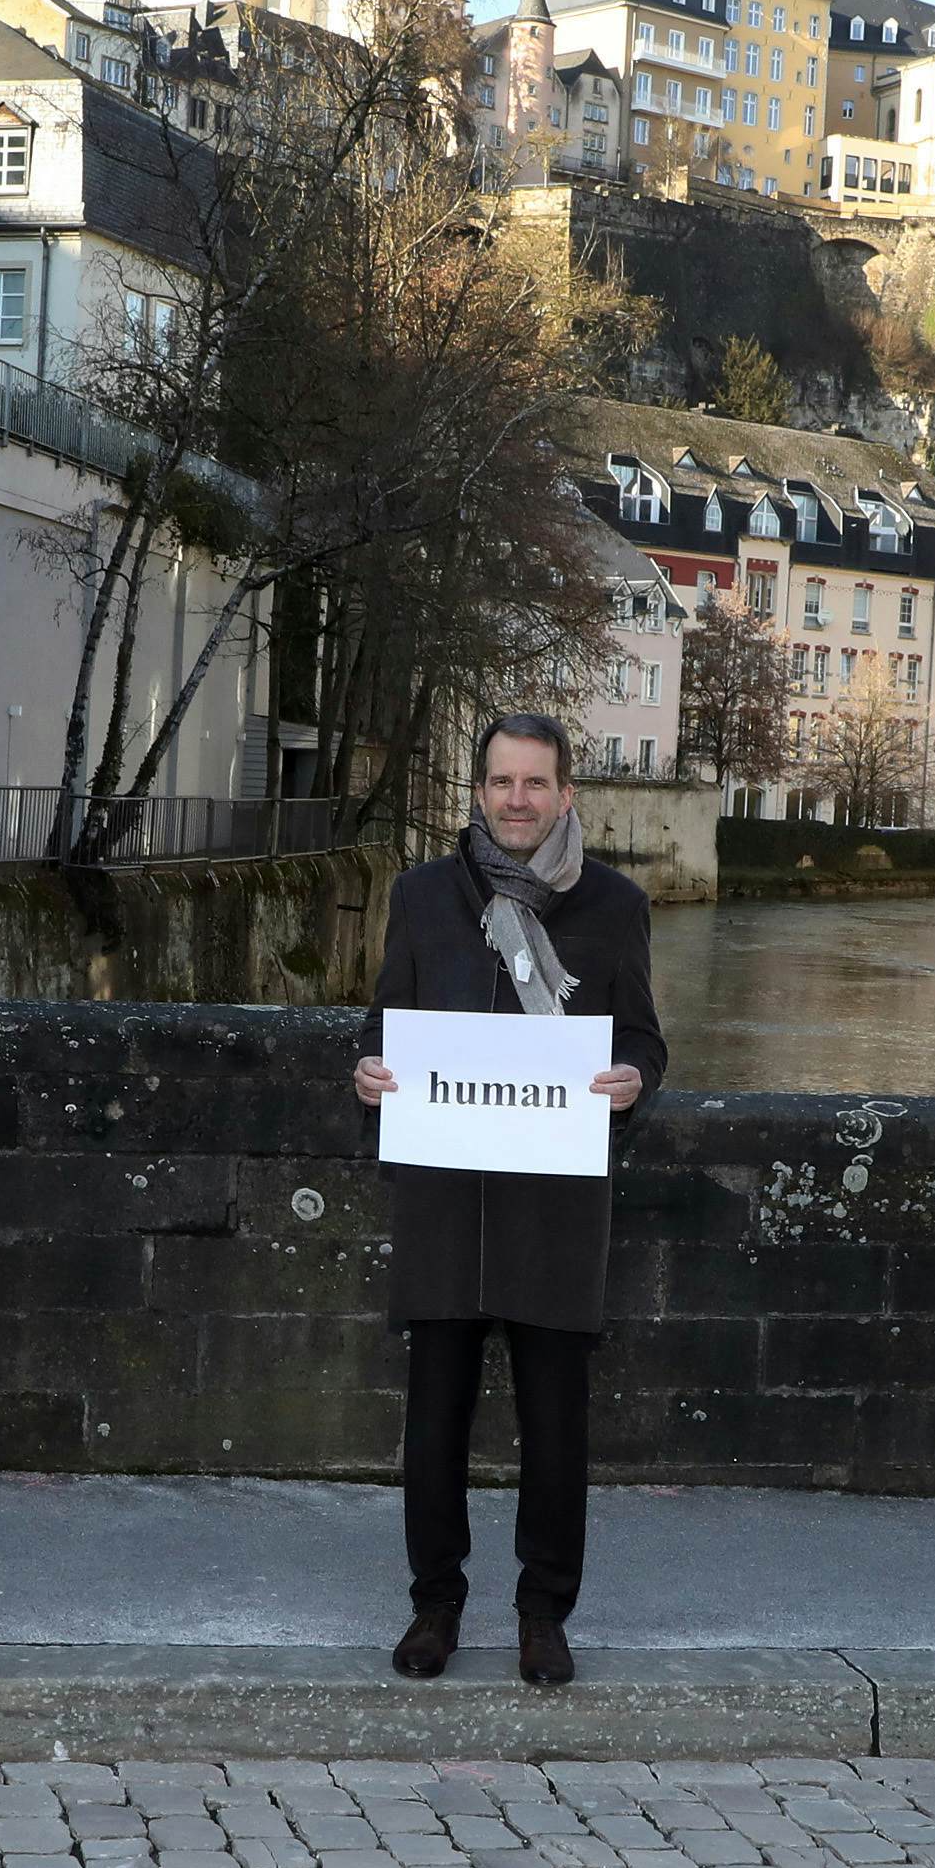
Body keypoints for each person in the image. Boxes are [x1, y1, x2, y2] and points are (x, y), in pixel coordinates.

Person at [351, 713, 665, 1688]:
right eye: (501, 783)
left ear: (567, 795)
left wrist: (631, 1080)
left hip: (555, 1204)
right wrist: (370, 1075)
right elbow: (382, 1029)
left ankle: (543, 1614)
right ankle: (434, 1607)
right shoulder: (423, 897)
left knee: (555, 1427)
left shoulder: (613, 906)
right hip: (446, 1197)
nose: (517, 801)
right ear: (477, 791)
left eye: (536, 784)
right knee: (433, 1424)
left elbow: (646, 1039)